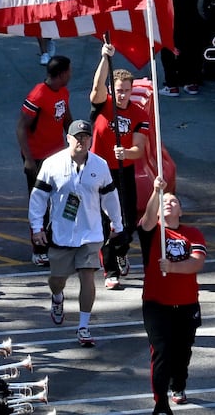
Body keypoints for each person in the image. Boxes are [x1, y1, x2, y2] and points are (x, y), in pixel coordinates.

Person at [28, 119, 121, 347]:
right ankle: (57, 297)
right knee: (57, 280)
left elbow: (110, 196)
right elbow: (38, 197)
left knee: (87, 275)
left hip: (90, 234)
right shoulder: (52, 164)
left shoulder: (100, 165)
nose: (81, 140)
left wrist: (117, 223)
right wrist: (37, 227)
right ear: (68, 138)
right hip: (61, 234)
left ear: (90, 139)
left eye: (85, 137)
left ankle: (83, 327)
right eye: (77, 137)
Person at [138, 176, 205, 415]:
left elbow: (196, 263)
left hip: (186, 304)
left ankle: (179, 384)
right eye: (165, 202)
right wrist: (156, 192)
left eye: (174, 200)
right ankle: (161, 403)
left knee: (182, 350)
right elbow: (146, 220)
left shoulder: (193, 233)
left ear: (181, 210)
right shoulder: (152, 231)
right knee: (162, 351)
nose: (169, 203)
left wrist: (172, 267)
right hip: (157, 304)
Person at [89, 46, 149, 290]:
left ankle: (122, 250)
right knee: (105, 222)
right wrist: (105, 57)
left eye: (127, 91)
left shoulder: (139, 114)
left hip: (123, 171)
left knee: (127, 221)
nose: (122, 95)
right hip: (99, 171)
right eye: (119, 90)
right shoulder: (104, 104)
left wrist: (126, 153)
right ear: (112, 90)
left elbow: (140, 148)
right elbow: (96, 87)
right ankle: (110, 271)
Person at [17, 55, 74, 263]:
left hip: (58, 155)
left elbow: (67, 120)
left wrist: (77, 140)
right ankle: (39, 250)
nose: (71, 74)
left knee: (62, 201)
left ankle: (58, 242)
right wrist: (29, 160)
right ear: (61, 73)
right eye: (69, 71)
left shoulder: (63, 92)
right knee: (39, 204)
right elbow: (21, 127)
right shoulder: (37, 96)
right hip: (38, 159)